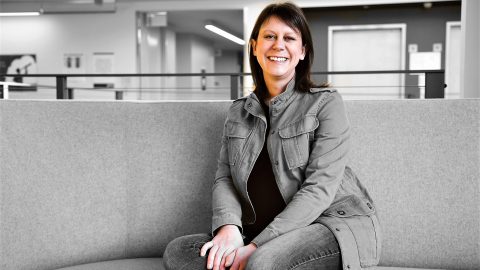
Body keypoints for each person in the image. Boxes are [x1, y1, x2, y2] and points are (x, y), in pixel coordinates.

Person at [163, 2, 381, 270]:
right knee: (180, 252)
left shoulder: (326, 104)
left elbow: (319, 190)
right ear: (255, 47)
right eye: (269, 36)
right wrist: (229, 228)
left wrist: (255, 248)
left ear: (302, 52)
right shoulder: (238, 112)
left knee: (263, 262)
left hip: (330, 225)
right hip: (257, 233)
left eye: (289, 38)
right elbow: (225, 178)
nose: (278, 45)